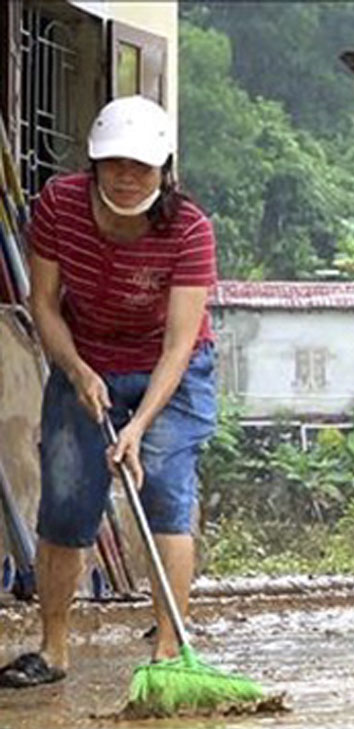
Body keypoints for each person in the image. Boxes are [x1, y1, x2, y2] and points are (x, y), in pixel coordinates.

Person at [0, 96, 218, 688]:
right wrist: (76, 371)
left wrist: (139, 426)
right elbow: (41, 303)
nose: (126, 177)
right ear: (92, 163)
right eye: (114, 163)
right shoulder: (59, 205)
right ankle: (52, 649)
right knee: (67, 500)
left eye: (141, 167)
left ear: (163, 169)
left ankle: (169, 652)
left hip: (170, 371)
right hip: (85, 356)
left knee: (167, 496)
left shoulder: (190, 228)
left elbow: (178, 345)